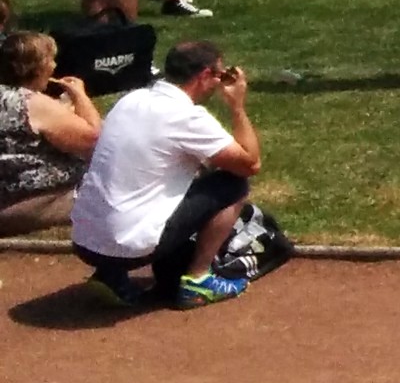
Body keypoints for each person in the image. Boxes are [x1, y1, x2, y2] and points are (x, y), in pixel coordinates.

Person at [69, 41, 263, 308]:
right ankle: (198, 280)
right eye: (219, 75)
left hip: (84, 240)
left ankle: (110, 274)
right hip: (129, 247)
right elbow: (249, 164)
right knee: (232, 184)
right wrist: (237, 106)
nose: (219, 83)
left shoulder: (131, 99)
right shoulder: (187, 117)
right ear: (205, 75)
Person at [0, 26, 104, 237]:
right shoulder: (33, 103)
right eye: (50, 60)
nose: (54, 65)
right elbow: (95, 141)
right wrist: (80, 95)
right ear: (37, 68)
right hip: (27, 204)